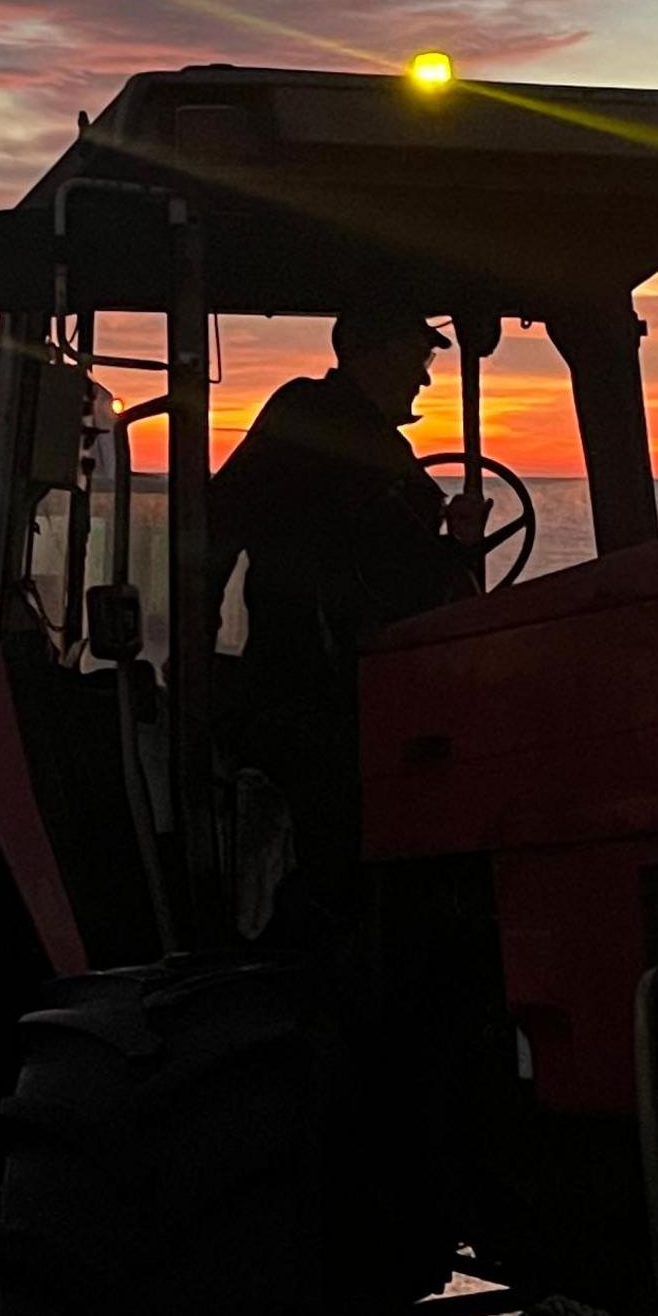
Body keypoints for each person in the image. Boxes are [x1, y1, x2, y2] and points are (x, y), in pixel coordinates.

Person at [208, 307, 491, 923]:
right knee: (349, 873)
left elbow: (407, 579)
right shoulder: (337, 435)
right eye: (419, 361)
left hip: (345, 691)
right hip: (329, 702)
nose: (425, 381)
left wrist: (459, 549)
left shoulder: (357, 440)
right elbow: (407, 586)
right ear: (373, 354)